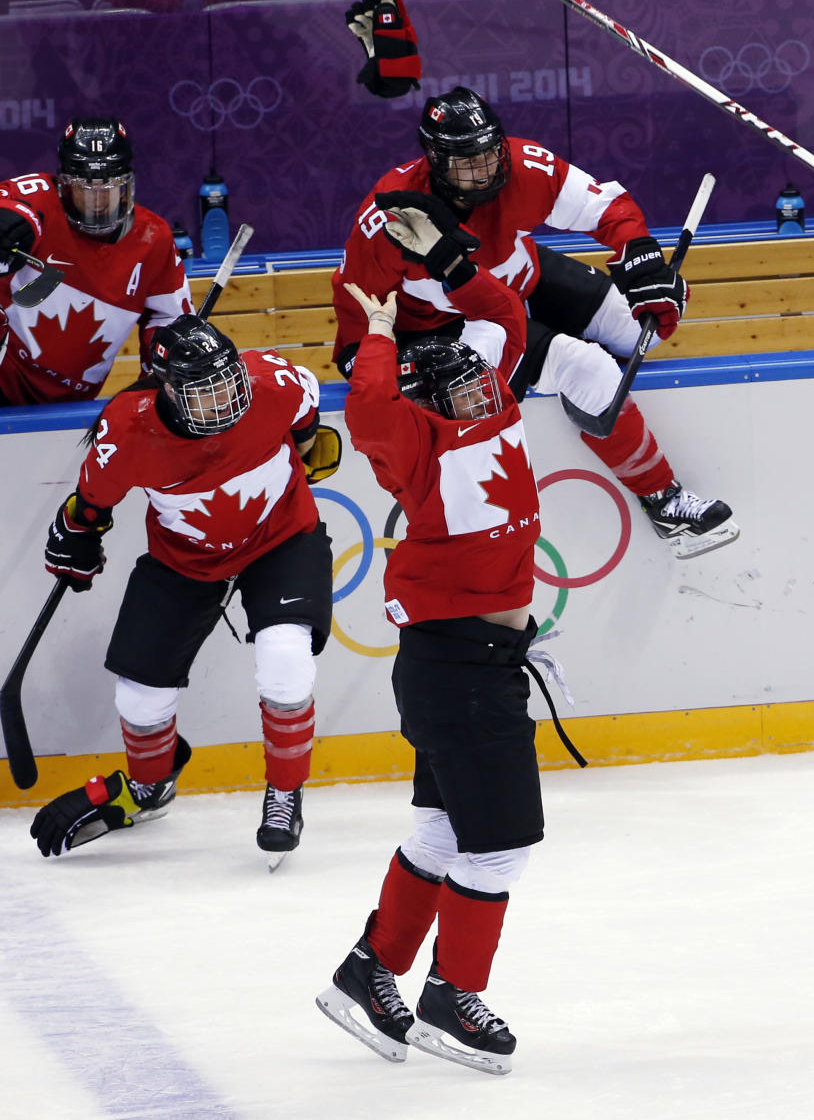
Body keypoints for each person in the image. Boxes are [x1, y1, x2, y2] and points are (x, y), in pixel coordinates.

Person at [332, 84, 739, 560]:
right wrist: (379, 369)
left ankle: (586, 391)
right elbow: (356, 313)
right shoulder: (389, 217)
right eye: (466, 162)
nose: (484, 170)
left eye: (488, 154)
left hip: (523, 277)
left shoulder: (524, 165)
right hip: (456, 327)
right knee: (591, 371)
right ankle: (664, 500)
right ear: (434, 162)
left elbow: (605, 206)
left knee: (640, 327)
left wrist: (643, 258)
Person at [316, 262, 544, 1076]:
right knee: (502, 846)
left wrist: (454, 267)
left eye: (487, 385)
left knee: (444, 832)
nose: (486, 396)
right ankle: (451, 995)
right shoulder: (418, 446)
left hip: (467, 667)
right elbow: (370, 406)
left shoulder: (496, 400)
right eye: (469, 393)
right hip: (462, 674)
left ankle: (368, 973)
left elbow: (508, 317)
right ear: (435, 407)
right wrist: (376, 333)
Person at [28, 314, 342, 863]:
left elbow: (305, 417)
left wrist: (303, 449)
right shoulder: (126, 430)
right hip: (185, 559)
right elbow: (93, 503)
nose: (224, 403)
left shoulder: (273, 381)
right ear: (167, 389)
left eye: (228, 384)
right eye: (204, 392)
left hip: (283, 539)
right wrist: (77, 533)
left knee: (285, 657)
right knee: (138, 695)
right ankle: (149, 789)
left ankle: (285, 792)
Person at [0, 116, 193, 407]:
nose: (97, 203)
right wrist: (11, 221)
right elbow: (11, 201)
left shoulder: (153, 238)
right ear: (64, 183)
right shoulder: (39, 198)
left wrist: (160, 381)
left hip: (72, 405)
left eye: (109, 188)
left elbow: (168, 318)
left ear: (127, 183)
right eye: (84, 190)